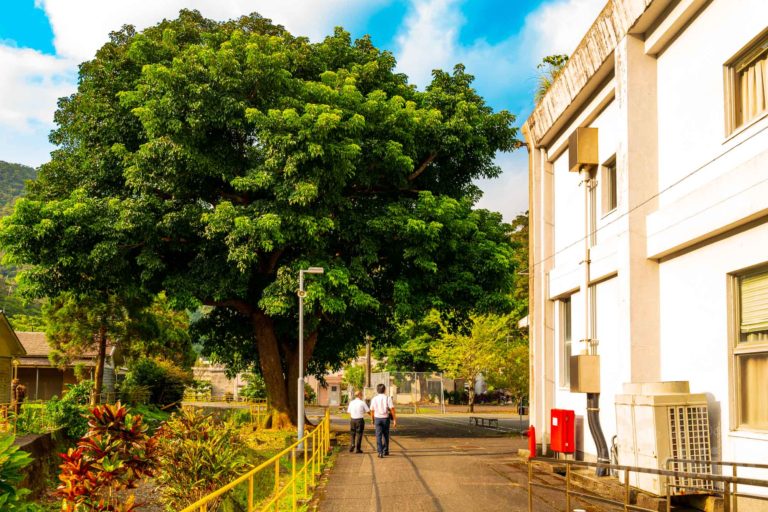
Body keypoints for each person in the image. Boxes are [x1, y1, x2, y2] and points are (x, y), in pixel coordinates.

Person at [369, 383, 396, 458]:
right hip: (385, 419)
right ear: (385, 390)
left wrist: (372, 419)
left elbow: (372, 410)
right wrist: (394, 420)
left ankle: (380, 452)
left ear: (377, 390)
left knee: (378, 436)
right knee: (386, 435)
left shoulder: (374, 399)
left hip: (377, 419)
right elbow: (392, 409)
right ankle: (386, 450)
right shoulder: (388, 398)